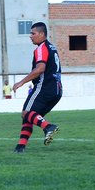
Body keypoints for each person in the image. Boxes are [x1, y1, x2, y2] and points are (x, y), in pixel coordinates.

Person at [11, 22, 62, 153]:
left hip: (43, 87)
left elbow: (40, 69)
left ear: (41, 34)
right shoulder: (52, 47)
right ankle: (20, 147)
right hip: (57, 90)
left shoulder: (41, 48)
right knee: (30, 116)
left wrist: (21, 82)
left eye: (33, 33)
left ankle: (48, 127)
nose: (30, 36)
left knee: (26, 113)